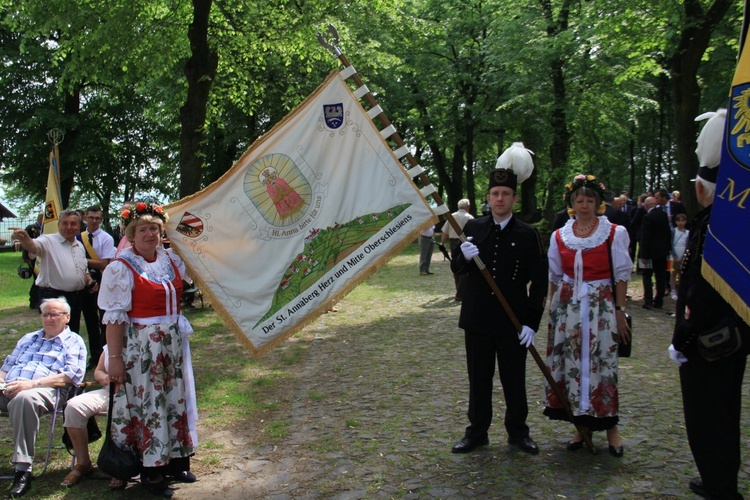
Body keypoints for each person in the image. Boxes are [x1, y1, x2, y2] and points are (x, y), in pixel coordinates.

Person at [669, 108, 750, 499]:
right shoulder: (724, 224)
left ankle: (720, 484)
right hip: (728, 337)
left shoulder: (710, 227)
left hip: (709, 342)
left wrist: (684, 336)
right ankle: (718, 477)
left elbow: (700, 291)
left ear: (703, 189)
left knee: (709, 415)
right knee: (723, 412)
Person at [450, 143, 548, 454]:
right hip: (478, 318)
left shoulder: (527, 233)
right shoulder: (474, 227)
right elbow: (456, 266)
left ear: (514, 199)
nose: (500, 199)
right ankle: (477, 432)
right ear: (488, 197)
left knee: (513, 380)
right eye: (495, 194)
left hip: (513, 321)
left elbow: (540, 282)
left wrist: (531, 322)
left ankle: (518, 432)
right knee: (479, 381)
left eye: (506, 194)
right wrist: (463, 256)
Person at [99, 202, 197, 497]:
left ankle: (177, 460)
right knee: (150, 405)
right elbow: (114, 319)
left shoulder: (170, 259)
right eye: (143, 229)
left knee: (175, 399)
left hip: (173, 342)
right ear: (130, 234)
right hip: (143, 347)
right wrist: (114, 359)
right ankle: (152, 472)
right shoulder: (122, 267)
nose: (150, 234)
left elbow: (196, 270)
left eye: (154, 229)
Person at [543, 174, 632, 457]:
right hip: (569, 306)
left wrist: (620, 312)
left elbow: (620, 276)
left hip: (601, 305)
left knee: (602, 363)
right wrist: (551, 305)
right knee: (574, 363)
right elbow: (555, 275)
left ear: (598, 203)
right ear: (572, 203)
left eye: (590, 200)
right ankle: (581, 426)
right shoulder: (561, 235)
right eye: (579, 200)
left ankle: (611, 428)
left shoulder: (613, 233)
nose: (584, 205)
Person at [0, 297, 87, 498]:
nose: (49, 318)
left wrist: (31, 384)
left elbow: (72, 375)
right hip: (11, 387)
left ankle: (22, 470)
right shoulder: (28, 338)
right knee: (20, 397)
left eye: (54, 314)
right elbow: (6, 368)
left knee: (25, 399)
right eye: (45, 314)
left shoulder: (74, 342)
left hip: (46, 390)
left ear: (67, 317)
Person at [11, 210, 94, 335]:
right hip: (54, 296)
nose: (69, 227)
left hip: (76, 297)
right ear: (59, 224)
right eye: (65, 223)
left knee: (72, 334)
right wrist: (25, 238)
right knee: (55, 334)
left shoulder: (79, 245)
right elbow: (33, 246)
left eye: (73, 224)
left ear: (79, 225)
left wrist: (88, 278)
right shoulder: (48, 241)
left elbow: (82, 266)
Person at [60, 347, 112, 488]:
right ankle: (83, 463)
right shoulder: (111, 343)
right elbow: (98, 371)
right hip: (110, 392)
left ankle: (127, 465)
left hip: (141, 394)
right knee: (74, 407)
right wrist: (105, 378)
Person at [78, 205, 116, 369]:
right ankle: (93, 356)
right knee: (90, 321)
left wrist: (81, 260)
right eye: (91, 217)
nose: (94, 221)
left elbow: (104, 263)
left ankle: (103, 356)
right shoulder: (78, 237)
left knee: (104, 321)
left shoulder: (106, 238)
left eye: (97, 218)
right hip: (83, 281)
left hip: (102, 280)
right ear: (85, 218)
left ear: (101, 220)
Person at [639, 196, 671, 309]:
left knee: (647, 275)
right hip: (662, 251)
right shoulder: (663, 215)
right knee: (660, 276)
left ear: (646, 206)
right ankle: (659, 300)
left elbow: (646, 237)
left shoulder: (648, 217)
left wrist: (643, 254)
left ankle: (648, 300)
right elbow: (667, 232)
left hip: (650, 252)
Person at [441, 199, 474, 300]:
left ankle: (458, 290)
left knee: (455, 265)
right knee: (464, 266)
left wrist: (442, 244)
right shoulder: (470, 217)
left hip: (453, 243)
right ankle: (460, 293)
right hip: (465, 242)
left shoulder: (452, 217)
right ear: (467, 207)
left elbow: (444, 232)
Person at [21, 214, 43, 309]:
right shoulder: (31, 228)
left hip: (41, 256)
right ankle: (33, 300)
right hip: (33, 257)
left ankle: (39, 299)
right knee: (36, 278)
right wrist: (25, 257)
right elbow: (25, 243)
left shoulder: (45, 228)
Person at [669, 213, 689, 301]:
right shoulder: (673, 231)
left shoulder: (688, 232)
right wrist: (675, 256)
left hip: (683, 255)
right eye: (679, 221)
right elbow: (670, 245)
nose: (681, 223)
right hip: (673, 255)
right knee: (673, 274)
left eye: (682, 221)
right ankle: (673, 290)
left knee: (682, 273)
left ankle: (681, 290)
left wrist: (683, 256)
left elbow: (687, 245)